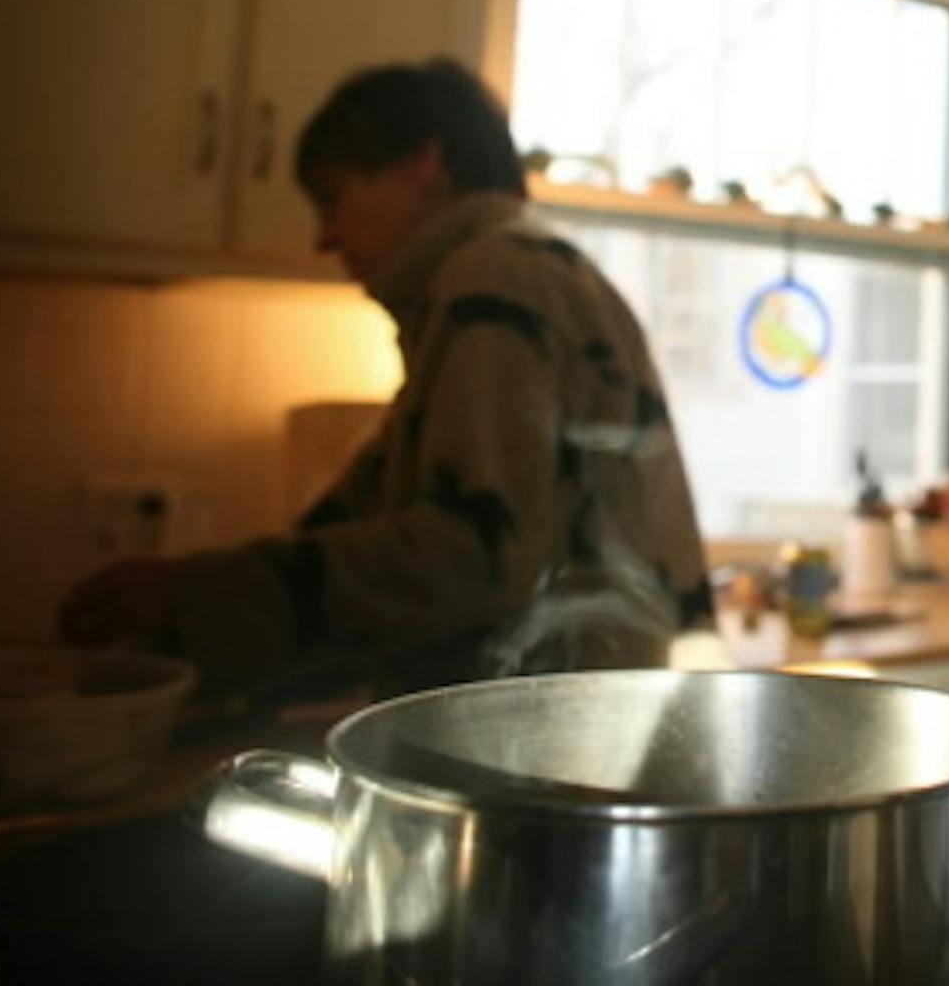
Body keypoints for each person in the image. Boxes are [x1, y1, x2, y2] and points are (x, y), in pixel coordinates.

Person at [59, 58, 712, 698]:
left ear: (423, 165)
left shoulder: (497, 280)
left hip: (537, 742)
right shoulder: (516, 273)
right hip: (575, 726)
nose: (324, 238)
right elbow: (378, 512)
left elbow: (475, 553)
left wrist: (192, 595)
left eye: (331, 199)